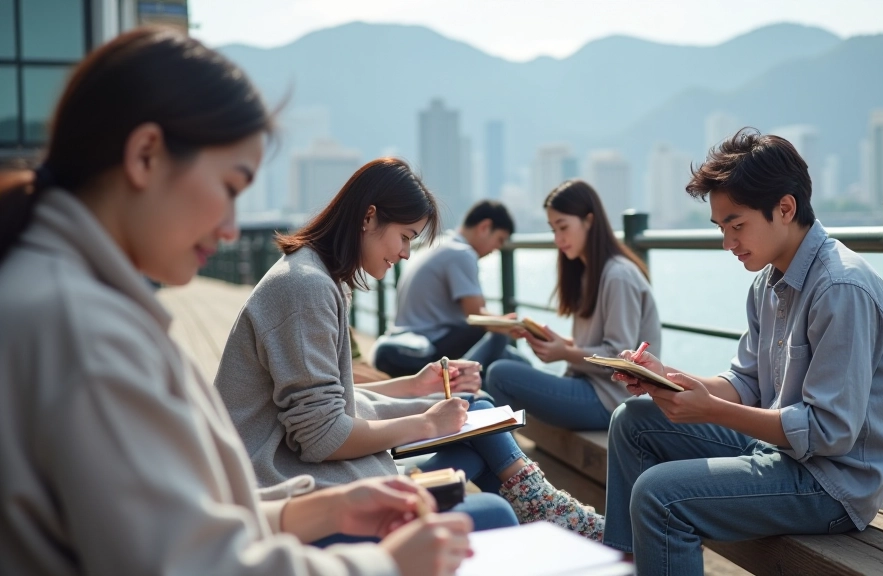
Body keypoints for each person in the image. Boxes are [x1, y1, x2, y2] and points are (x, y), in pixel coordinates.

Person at [0, 27, 473, 576]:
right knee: (484, 516)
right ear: (146, 154)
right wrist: (385, 566)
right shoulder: (83, 330)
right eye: (230, 187)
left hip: (283, 494)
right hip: (283, 485)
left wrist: (331, 507)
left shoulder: (59, 297)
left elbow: (172, 527)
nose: (230, 230)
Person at [214, 158, 604, 540]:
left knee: (478, 412)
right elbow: (321, 437)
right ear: (369, 218)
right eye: (405, 236)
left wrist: (415, 387)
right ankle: (547, 512)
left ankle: (544, 509)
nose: (405, 253)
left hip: (311, 470)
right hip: (286, 490)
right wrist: (428, 423)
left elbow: (331, 402)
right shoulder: (305, 288)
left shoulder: (318, 277)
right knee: (494, 511)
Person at [602, 129, 883, 575]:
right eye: (722, 227)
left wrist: (709, 411)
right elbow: (744, 383)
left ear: (785, 208)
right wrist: (664, 377)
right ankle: (629, 566)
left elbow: (829, 433)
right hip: (780, 454)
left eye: (737, 224)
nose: (727, 241)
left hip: (833, 486)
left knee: (659, 495)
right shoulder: (768, 283)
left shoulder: (841, 288)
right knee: (631, 421)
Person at [484, 180, 662, 430]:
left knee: (500, 374)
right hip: (586, 386)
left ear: (589, 221)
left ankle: (510, 465)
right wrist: (556, 341)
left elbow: (620, 356)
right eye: (553, 230)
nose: (558, 239)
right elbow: (595, 345)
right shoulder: (589, 272)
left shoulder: (618, 275)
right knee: (503, 354)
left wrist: (564, 352)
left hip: (609, 400)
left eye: (563, 227)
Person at [372, 200, 525, 377]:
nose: (497, 249)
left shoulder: (438, 244)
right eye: (499, 240)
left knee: (505, 352)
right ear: (485, 227)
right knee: (497, 334)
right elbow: (476, 316)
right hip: (425, 347)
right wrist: (512, 325)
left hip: (402, 341)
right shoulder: (461, 253)